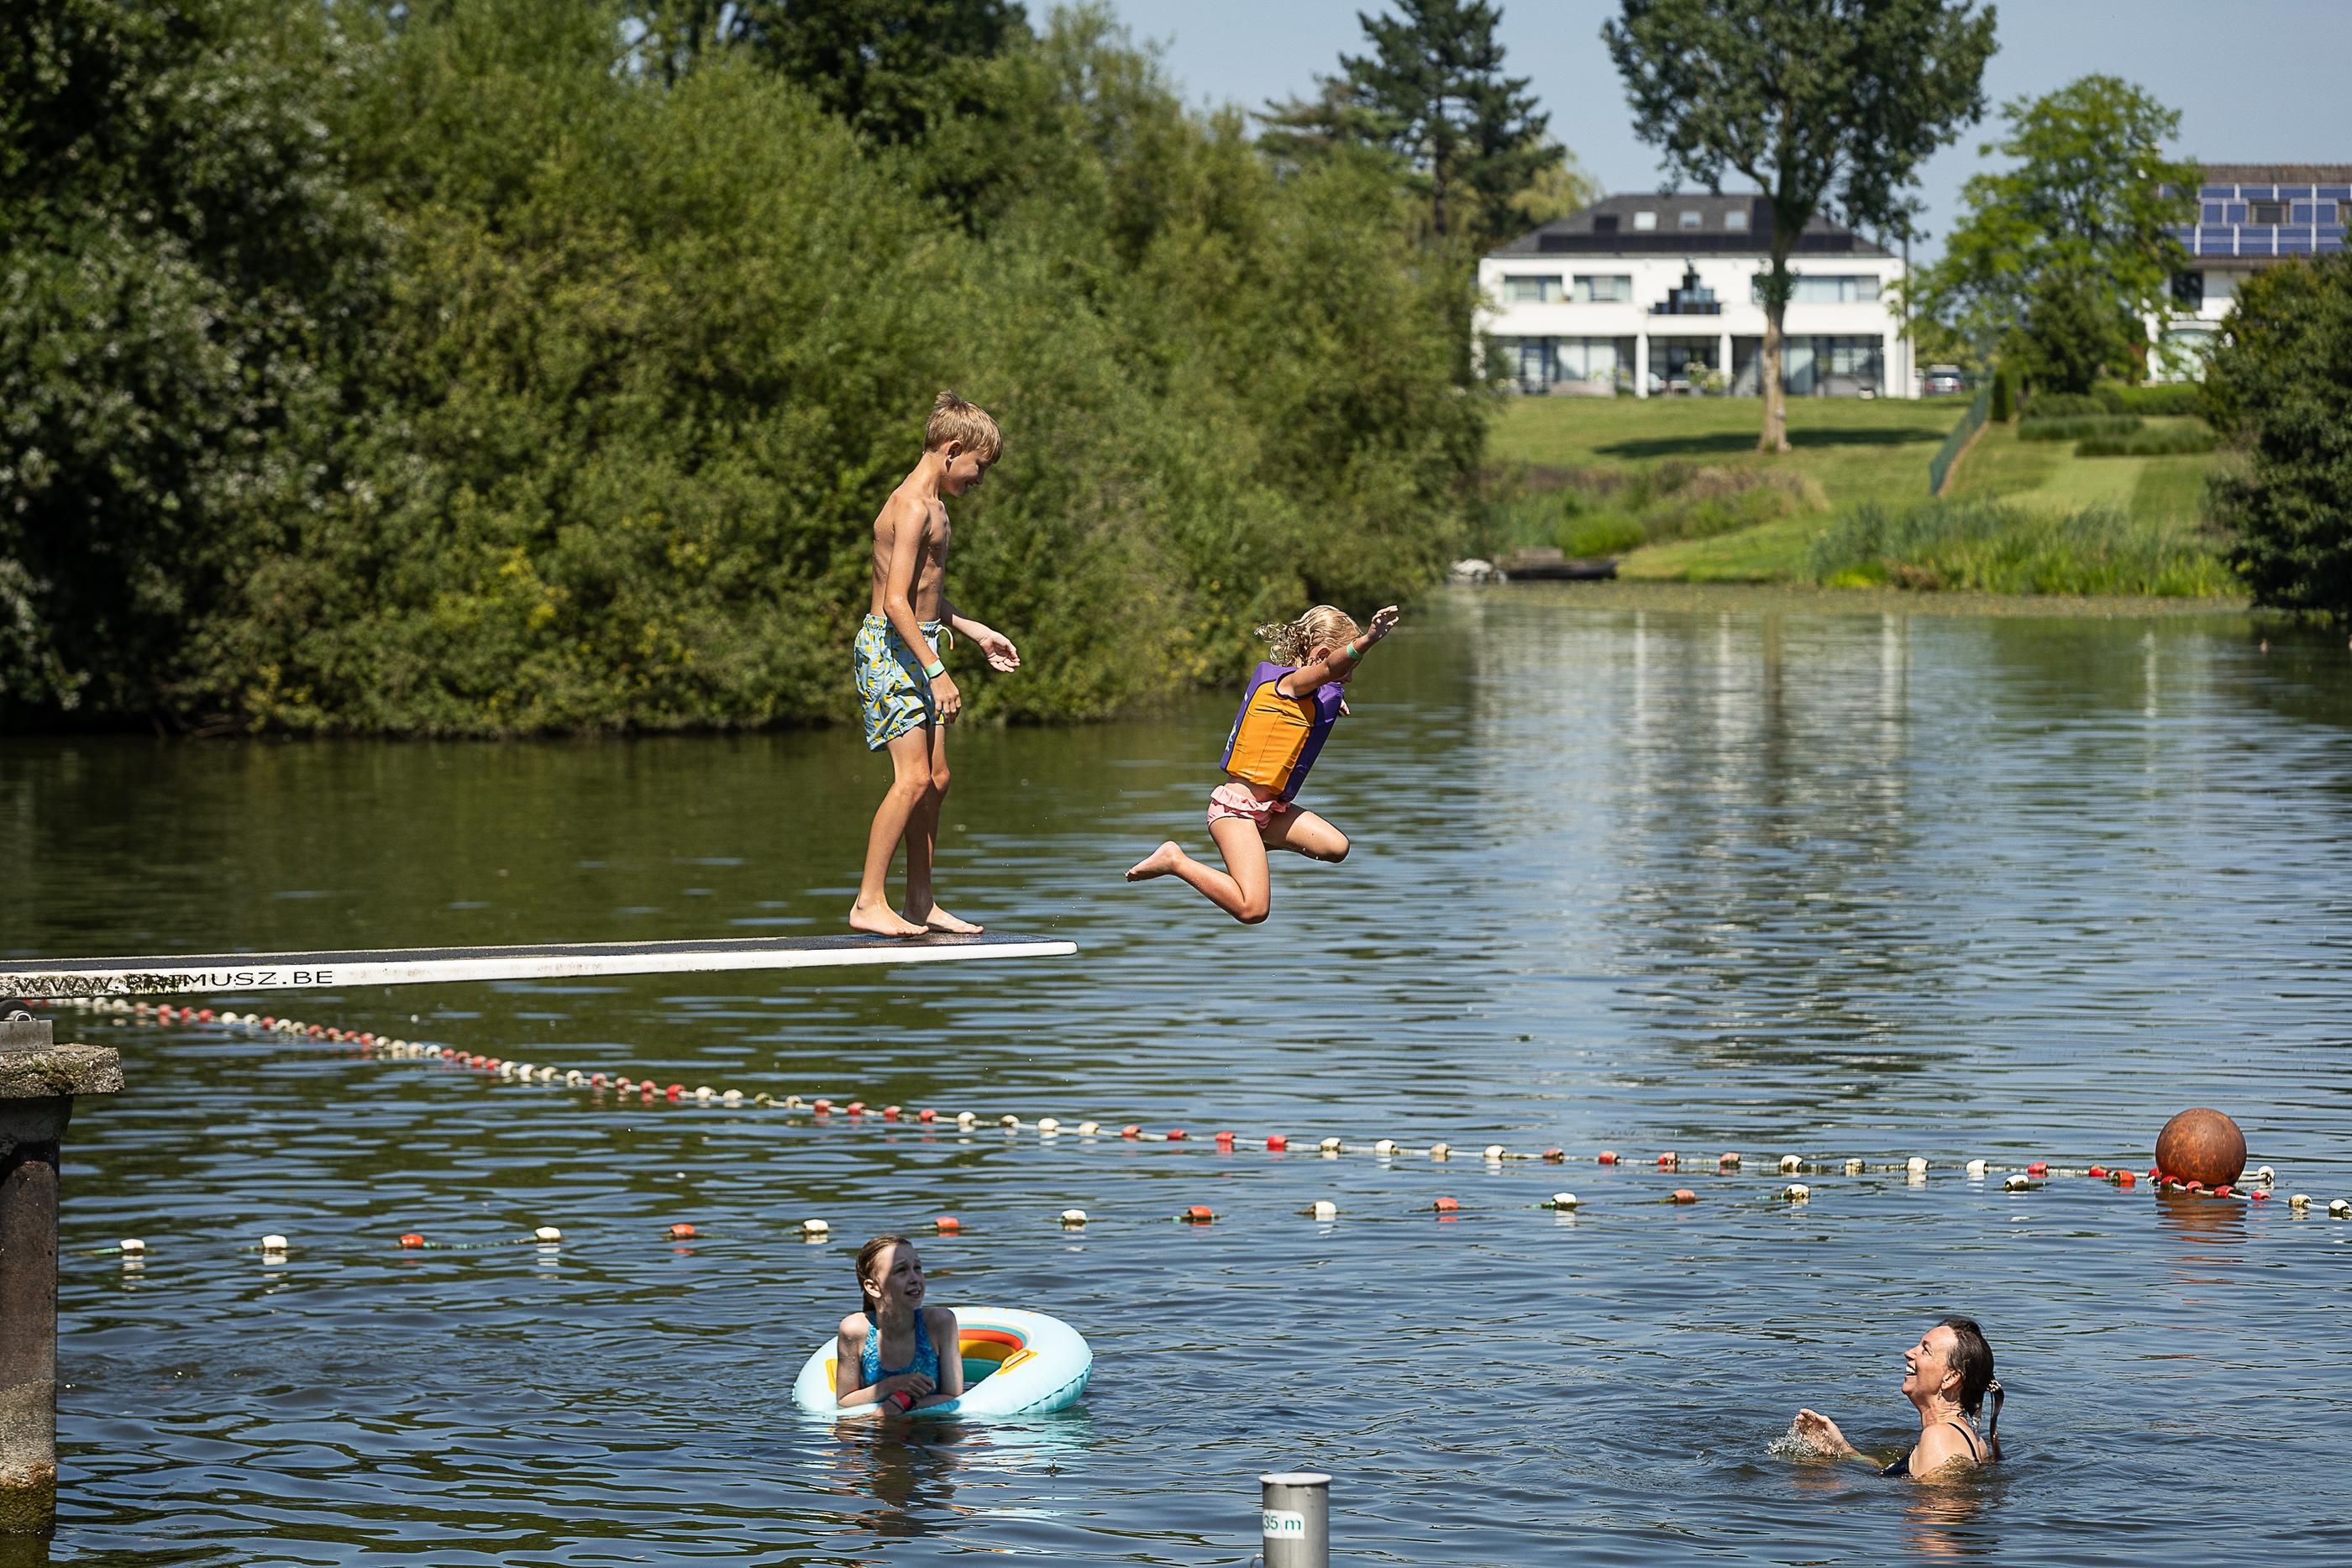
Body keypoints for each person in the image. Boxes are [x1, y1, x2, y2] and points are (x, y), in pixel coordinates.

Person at [849, 391, 1022, 939]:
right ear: (952, 450)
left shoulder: (936, 506)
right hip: (891, 650)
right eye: (978, 468)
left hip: (918, 642)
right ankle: (867, 902)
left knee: (937, 778)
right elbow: (895, 602)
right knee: (912, 778)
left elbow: (925, 596)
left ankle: (920, 901)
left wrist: (973, 631)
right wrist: (936, 669)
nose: (979, 480)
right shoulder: (912, 506)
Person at [1125, 603, 1399, 923]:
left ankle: (1255, 845)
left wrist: (1324, 701)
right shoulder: (1289, 685)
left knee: (1335, 847)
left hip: (1269, 811)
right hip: (1236, 810)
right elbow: (1328, 671)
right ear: (1323, 657)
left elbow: (1319, 681)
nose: (1348, 680)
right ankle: (1175, 861)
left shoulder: (1301, 691)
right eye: (1348, 671)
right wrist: (1367, 640)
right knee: (1253, 909)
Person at [1794, 1317, 2004, 1479]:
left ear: (1950, 1377)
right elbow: (1907, 1478)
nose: (1909, 1352)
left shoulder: (1938, 1436)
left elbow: (1939, 1516)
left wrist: (1834, 1484)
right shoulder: (1973, 1440)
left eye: (1925, 1350)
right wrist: (1845, 1450)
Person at [835, 1234, 963, 1415]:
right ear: (873, 1287)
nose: (915, 1278)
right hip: (879, 1432)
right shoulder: (855, 1330)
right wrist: (893, 1385)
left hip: (933, 1432)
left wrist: (899, 1404)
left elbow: (953, 1396)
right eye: (901, 1270)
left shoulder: (940, 1323)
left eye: (917, 1268)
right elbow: (844, 1400)